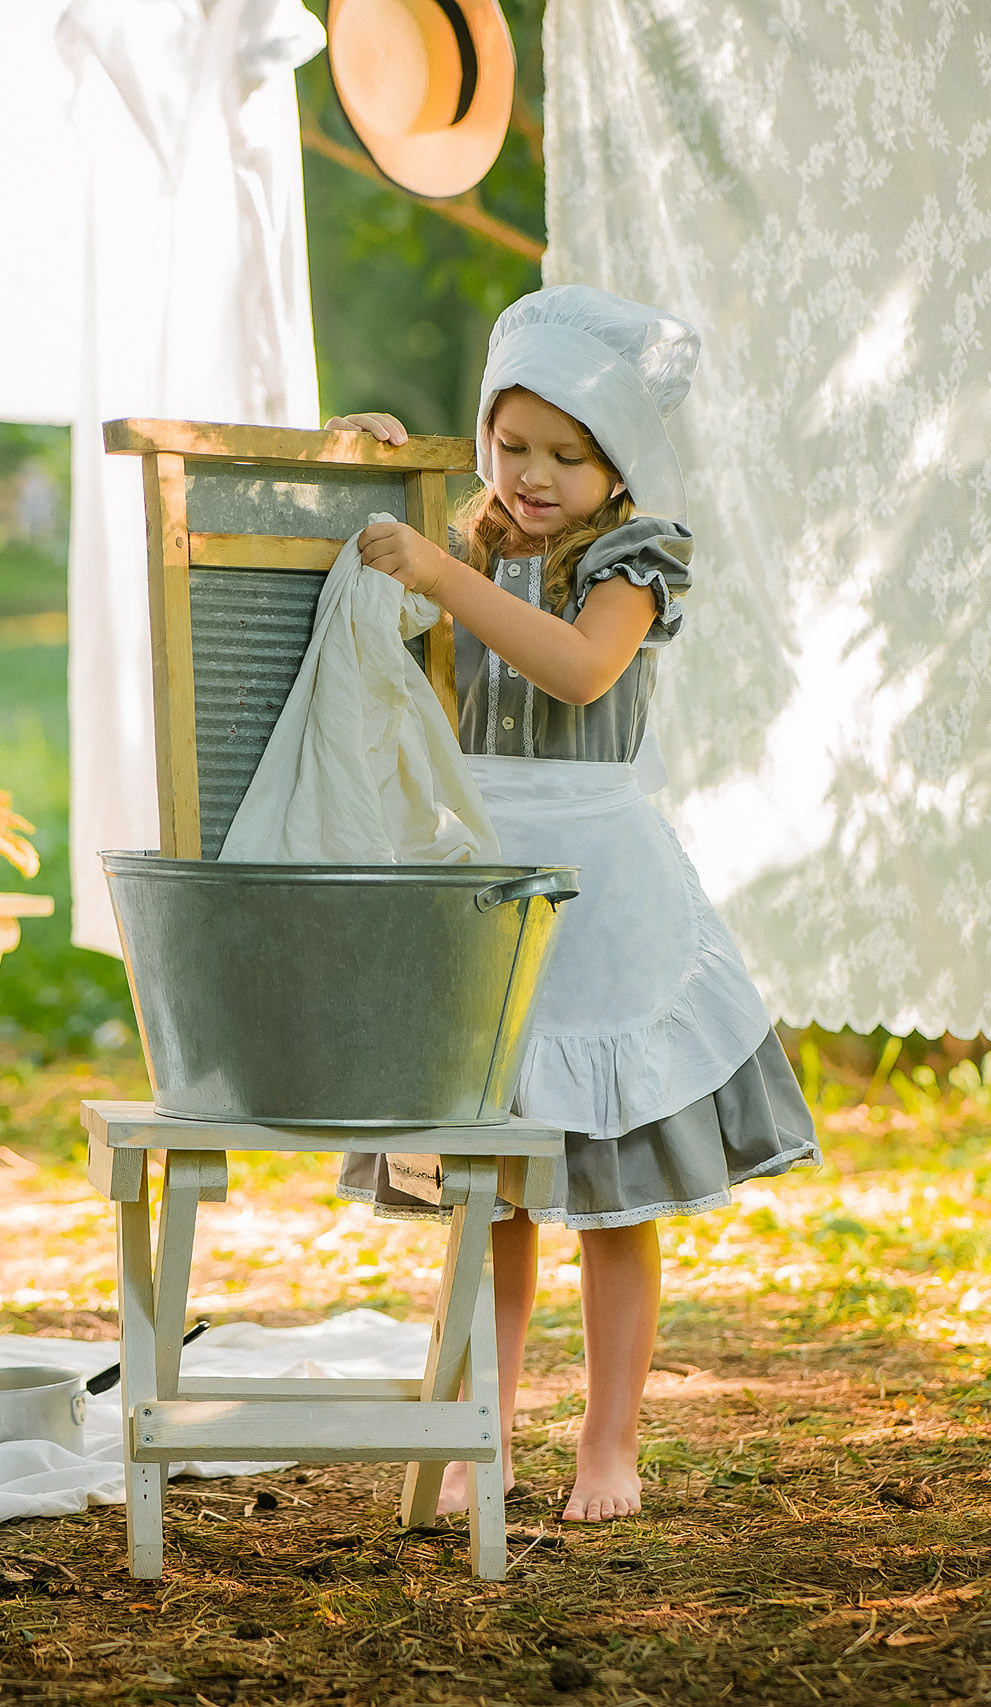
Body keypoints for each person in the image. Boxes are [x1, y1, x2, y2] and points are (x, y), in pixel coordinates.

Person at [324, 285, 819, 1523]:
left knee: (608, 1193)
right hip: (478, 869)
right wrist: (372, 488)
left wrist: (439, 562)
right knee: (484, 1196)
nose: (531, 475)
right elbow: (397, 611)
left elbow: (580, 666)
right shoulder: (473, 539)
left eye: (565, 453)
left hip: (596, 882)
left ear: (616, 464)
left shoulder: (631, 562)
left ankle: (607, 1443)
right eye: (510, 445)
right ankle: (467, 1433)